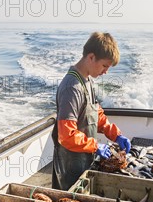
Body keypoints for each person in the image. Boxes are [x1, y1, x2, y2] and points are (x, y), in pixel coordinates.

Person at [52, 32, 131, 190]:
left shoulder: (87, 81)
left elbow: (96, 115)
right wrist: (95, 146)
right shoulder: (71, 88)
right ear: (91, 57)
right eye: (104, 66)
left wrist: (116, 135)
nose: (105, 72)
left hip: (84, 160)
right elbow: (66, 135)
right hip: (70, 166)